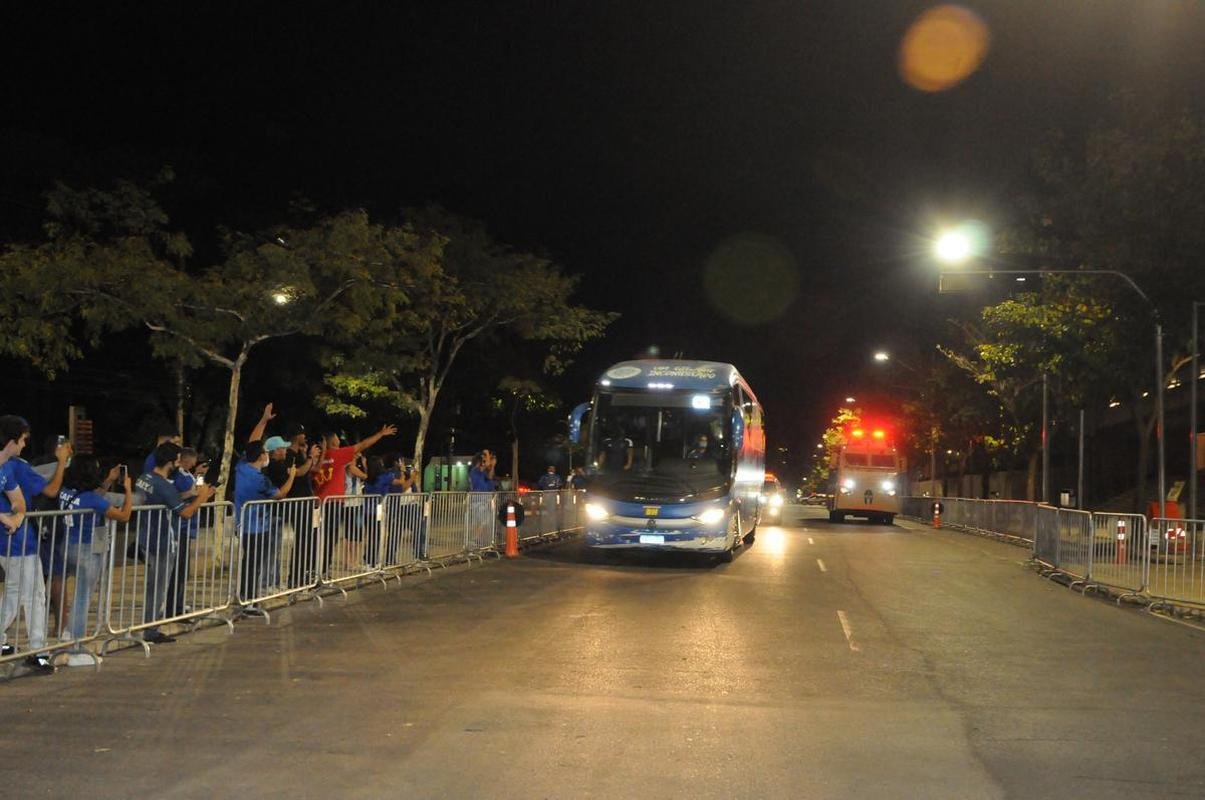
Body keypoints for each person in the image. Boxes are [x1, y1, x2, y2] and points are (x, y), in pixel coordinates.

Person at [134, 442, 216, 644]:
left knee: (156, 585)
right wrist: (202, 498)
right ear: (171, 461)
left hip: (149, 537)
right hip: (162, 540)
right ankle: (151, 630)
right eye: (178, 459)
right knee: (159, 586)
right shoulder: (163, 484)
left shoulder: (145, 478)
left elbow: (175, 498)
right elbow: (185, 511)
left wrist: (196, 490)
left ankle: (151, 626)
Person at [56, 456, 133, 667]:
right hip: (87, 551)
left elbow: (93, 496)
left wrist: (108, 481)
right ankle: (75, 648)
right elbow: (124, 516)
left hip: (67, 547)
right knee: (82, 598)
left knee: (77, 595)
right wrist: (127, 490)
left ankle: (68, 633)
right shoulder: (92, 499)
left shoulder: (66, 491)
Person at [0, 415, 62, 673]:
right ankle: (38, 651)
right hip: (17, 545)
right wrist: (7, 518)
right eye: (23, 439)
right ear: (11, 440)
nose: (25, 445)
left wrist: (17, 516)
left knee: (15, 595)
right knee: (33, 595)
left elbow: (19, 501)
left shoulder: (6, 468)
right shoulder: (13, 465)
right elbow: (48, 491)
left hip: (14, 540)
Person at [307, 424, 397, 580]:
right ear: (332, 441)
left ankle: (316, 570)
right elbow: (362, 445)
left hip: (319, 503)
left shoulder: (318, 458)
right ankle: (321, 572)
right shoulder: (337, 454)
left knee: (320, 538)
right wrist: (380, 434)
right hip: (333, 503)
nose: (339, 439)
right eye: (336, 436)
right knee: (330, 538)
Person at [234, 440, 296, 607]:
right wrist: (292, 477)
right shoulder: (261, 480)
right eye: (266, 452)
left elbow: (251, 442)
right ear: (261, 455)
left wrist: (263, 421)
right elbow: (280, 495)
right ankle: (248, 601)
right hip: (257, 527)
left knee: (249, 563)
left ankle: (247, 598)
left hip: (243, 524)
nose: (267, 455)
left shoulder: (241, 469)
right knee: (253, 565)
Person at [164, 447, 207, 618]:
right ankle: (173, 606)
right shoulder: (177, 475)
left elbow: (198, 491)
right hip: (180, 527)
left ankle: (178, 604)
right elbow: (182, 495)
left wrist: (201, 477)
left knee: (183, 569)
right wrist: (195, 493)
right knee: (178, 569)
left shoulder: (188, 474)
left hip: (187, 526)